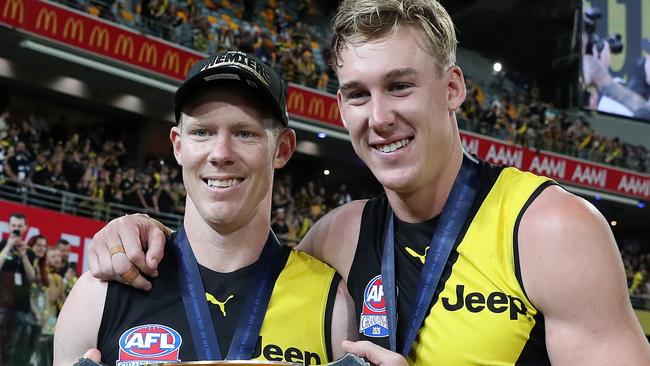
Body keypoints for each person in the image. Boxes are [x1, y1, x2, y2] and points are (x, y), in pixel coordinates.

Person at [84, 0, 650, 364]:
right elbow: (234, 264)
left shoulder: (552, 230)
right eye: (358, 94)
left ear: (453, 88)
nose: (379, 117)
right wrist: (129, 231)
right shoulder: (335, 239)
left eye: (400, 86)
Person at [54, 50, 357, 366]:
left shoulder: (332, 304)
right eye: (202, 132)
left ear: (281, 149)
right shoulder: (99, 294)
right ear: (178, 145)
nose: (220, 153)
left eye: (244, 133)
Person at [0, 212, 37, 366]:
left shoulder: (28, 251)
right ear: (8, 226)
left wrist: (23, 256)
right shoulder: (2, 245)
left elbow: (32, 277)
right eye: (14, 225)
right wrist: (8, 246)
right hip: (1, 306)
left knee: (14, 351)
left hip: (21, 308)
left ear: (25, 228)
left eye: (19, 226)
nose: (16, 228)